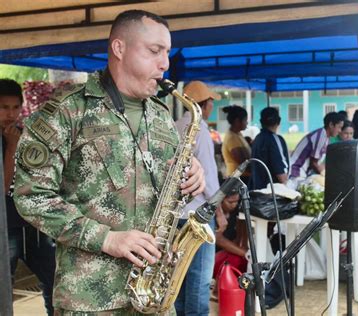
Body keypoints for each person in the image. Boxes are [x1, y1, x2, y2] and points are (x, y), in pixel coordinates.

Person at [13, 10, 206, 314]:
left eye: (167, 52)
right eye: (155, 51)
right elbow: (31, 196)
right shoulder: (67, 111)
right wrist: (106, 239)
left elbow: (167, 189)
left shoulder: (161, 115)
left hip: (153, 295)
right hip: (91, 299)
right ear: (119, 48)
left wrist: (192, 177)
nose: (165, 63)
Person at [1, 79, 56, 316]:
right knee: (4, 291)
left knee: (55, 283)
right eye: (4, 107)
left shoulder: (26, 135)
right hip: (6, 230)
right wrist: (12, 148)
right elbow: (3, 187)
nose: (10, 114)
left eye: (15, 107)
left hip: (35, 226)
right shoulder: (12, 140)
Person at [174, 80, 227, 315]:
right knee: (199, 278)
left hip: (177, 214)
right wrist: (220, 212)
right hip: (199, 213)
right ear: (204, 105)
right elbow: (208, 179)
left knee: (179, 277)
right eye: (210, 103)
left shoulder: (175, 126)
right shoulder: (201, 131)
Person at [289, 112, 344, 179]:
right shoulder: (321, 136)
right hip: (296, 171)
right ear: (331, 124)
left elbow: (319, 162)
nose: (340, 131)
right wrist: (326, 176)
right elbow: (314, 163)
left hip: (302, 172)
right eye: (339, 127)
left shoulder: (326, 137)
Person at [250, 107, 289, 190]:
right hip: (272, 192)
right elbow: (281, 174)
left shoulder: (257, 139)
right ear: (279, 121)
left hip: (257, 189)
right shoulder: (274, 139)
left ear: (261, 122)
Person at [212, 192, 248, 283]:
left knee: (243, 260)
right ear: (221, 201)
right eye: (230, 202)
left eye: (236, 202)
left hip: (227, 252)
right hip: (214, 255)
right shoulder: (214, 216)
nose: (234, 205)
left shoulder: (236, 212)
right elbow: (218, 239)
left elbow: (240, 238)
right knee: (236, 258)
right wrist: (244, 253)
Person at [221, 105, 251, 183]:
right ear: (237, 121)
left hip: (242, 177)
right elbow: (243, 162)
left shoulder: (238, 134)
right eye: (245, 120)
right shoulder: (232, 138)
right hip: (237, 179)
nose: (247, 123)